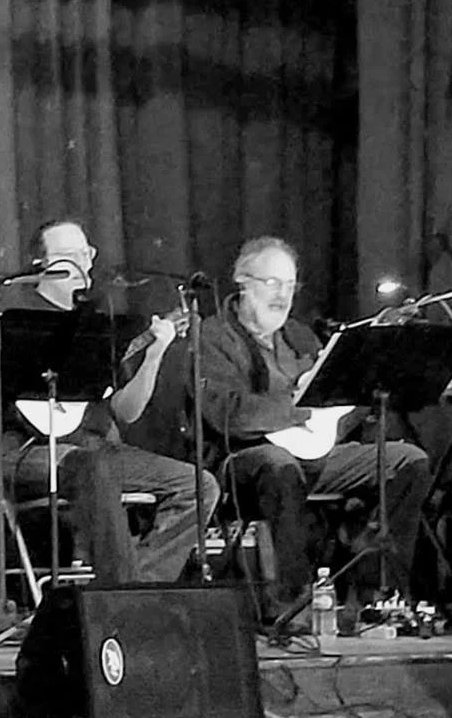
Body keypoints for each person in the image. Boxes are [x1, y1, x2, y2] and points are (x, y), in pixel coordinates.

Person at [182, 236, 432, 619]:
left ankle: (375, 595)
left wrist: (363, 379)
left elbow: (332, 418)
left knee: (407, 460)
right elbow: (231, 415)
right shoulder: (212, 337)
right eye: (272, 282)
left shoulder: (299, 336)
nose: (282, 294)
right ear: (242, 282)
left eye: (290, 284)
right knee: (278, 464)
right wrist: (301, 409)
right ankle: (291, 606)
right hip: (241, 460)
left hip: (315, 458)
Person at [0, 219, 214, 585]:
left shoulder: (99, 325)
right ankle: (121, 587)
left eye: (86, 253)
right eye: (69, 255)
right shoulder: (16, 318)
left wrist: (155, 353)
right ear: (41, 265)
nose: (82, 263)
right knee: (94, 465)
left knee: (199, 485)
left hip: (98, 449)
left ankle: (137, 586)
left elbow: (126, 411)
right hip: (28, 451)